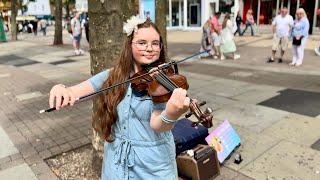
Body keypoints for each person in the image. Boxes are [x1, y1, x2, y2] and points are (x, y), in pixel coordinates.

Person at [48, 15, 190, 179]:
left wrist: (171, 114)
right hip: (116, 165)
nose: (150, 48)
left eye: (155, 43)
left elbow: (157, 124)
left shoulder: (164, 82)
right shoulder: (113, 76)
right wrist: (61, 89)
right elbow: (76, 91)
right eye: (142, 43)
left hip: (152, 166)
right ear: (129, 45)